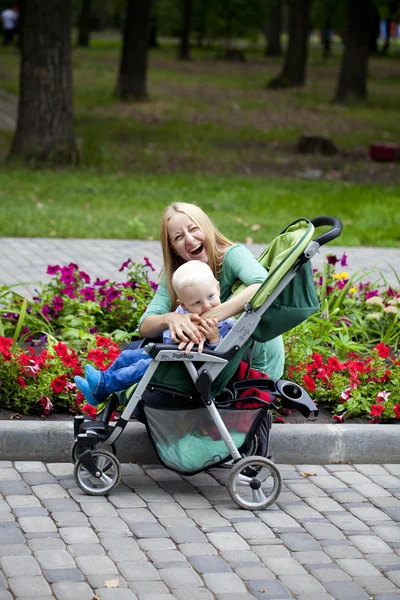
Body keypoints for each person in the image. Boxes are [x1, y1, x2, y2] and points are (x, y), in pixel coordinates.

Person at [138, 202, 284, 378]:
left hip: (256, 365)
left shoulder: (232, 255)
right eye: (178, 237)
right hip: (216, 366)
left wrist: (204, 319)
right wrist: (171, 318)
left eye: (193, 229)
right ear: (173, 249)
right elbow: (145, 326)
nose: (190, 239)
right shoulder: (178, 278)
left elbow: (263, 285)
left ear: (206, 227)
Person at [74, 261, 235, 406]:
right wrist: (176, 334)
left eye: (210, 296)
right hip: (168, 354)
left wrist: (214, 338)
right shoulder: (182, 314)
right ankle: (97, 393)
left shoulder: (225, 322)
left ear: (218, 289)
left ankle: (103, 385)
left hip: (185, 367)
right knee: (127, 356)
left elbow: (222, 356)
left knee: (141, 367)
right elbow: (166, 337)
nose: (207, 306)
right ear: (183, 304)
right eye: (197, 303)